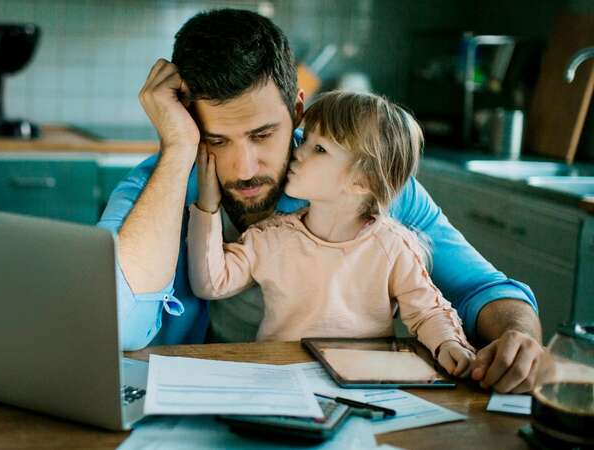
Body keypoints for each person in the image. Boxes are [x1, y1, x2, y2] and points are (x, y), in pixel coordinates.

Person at [97, 8, 543, 393]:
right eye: (216, 139)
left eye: (262, 134)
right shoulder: (154, 188)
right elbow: (111, 325)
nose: (244, 167)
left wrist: (517, 336)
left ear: (296, 111)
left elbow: (482, 288)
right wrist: (177, 151)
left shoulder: (362, 184)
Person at [187, 91, 476, 377]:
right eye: (307, 138)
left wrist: (449, 343)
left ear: (362, 181)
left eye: (319, 149)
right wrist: (207, 206)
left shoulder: (393, 247)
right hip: (282, 378)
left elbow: (427, 312)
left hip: (363, 384)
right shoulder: (270, 237)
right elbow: (211, 284)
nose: (298, 151)